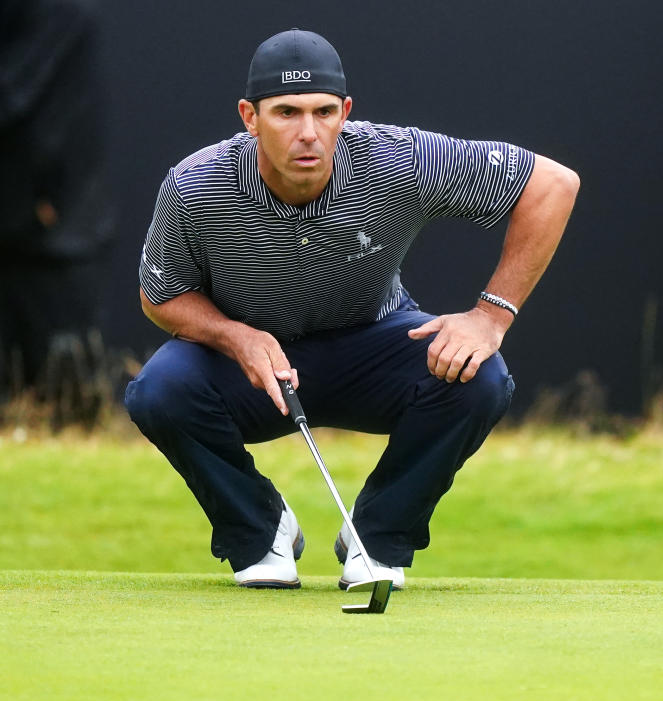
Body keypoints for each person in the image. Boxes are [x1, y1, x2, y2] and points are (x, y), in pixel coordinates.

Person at [124, 28, 580, 590]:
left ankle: (378, 538)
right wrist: (231, 335)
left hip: (374, 346)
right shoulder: (197, 184)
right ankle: (261, 532)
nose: (308, 133)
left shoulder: (397, 159)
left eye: (322, 112)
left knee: (480, 375)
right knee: (159, 391)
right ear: (250, 116)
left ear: (345, 112)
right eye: (286, 112)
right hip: (255, 368)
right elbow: (160, 296)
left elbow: (553, 185)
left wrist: (490, 316)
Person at [0, 0, 115, 419]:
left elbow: (13, 95)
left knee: (70, 404)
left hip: (53, 236)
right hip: (22, 228)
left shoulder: (61, 13)